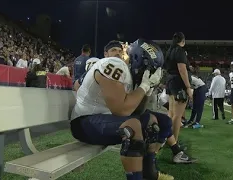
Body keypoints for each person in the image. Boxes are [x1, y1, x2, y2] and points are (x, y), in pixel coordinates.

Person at [70, 39, 194, 180]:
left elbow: (138, 110)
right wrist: (144, 86)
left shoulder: (127, 71)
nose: (148, 71)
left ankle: (150, 174)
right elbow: (121, 111)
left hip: (107, 117)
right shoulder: (113, 65)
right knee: (132, 126)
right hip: (85, 121)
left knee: (158, 121)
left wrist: (148, 89)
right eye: (148, 68)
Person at [165, 32, 192, 141]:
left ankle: (168, 139)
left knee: (171, 113)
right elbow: (182, 69)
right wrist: (188, 87)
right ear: (183, 41)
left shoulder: (169, 51)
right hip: (178, 83)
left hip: (171, 81)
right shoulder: (180, 51)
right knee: (178, 115)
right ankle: (174, 142)